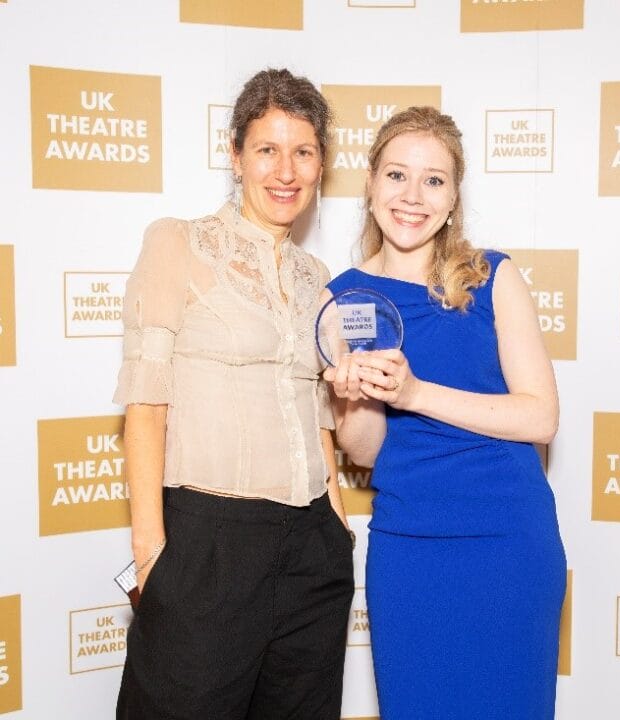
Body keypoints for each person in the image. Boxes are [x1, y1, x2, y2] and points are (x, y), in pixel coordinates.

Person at [114, 68, 354, 720]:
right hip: (208, 545)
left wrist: (335, 525)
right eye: (267, 149)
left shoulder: (318, 279)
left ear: (321, 164)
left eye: (303, 151)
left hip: (311, 548)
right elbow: (145, 403)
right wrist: (152, 557)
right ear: (235, 155)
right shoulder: (178, 244)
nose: (286, 170)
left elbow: (319, 414)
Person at [324, 106, 566, 719]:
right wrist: (357, 395)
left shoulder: (493, 277)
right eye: (397, 175)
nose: (413, 196)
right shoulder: (344, 299)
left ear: (454, 196)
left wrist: (416, 393)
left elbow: (541, 418)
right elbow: (366, 450)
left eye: (433, 180)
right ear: (372, 184)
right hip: (411, 547)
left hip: (508, 541)